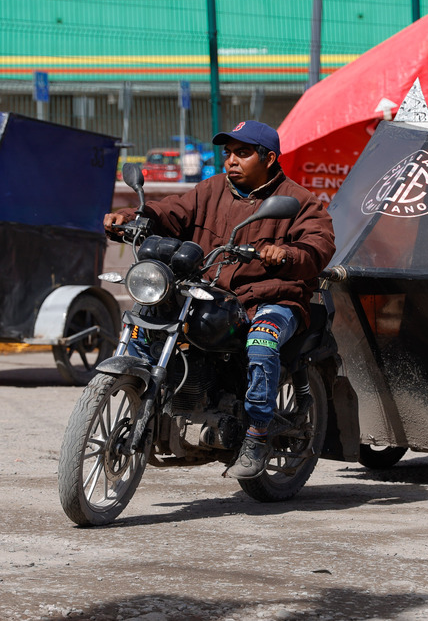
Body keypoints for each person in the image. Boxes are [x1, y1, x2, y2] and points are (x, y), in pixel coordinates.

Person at [103, 120, 336, 479]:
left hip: (270, 298)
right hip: (210, 292)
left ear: (269, 158)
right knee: (150, 320)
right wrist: (133, 219)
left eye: (243, 153)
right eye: (228, 152)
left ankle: (257, 434)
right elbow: (171, 211)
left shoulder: (299, 201)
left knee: (262, 342)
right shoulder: (210, 190)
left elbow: (318, 246)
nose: (231, 160)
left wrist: (285, 254)